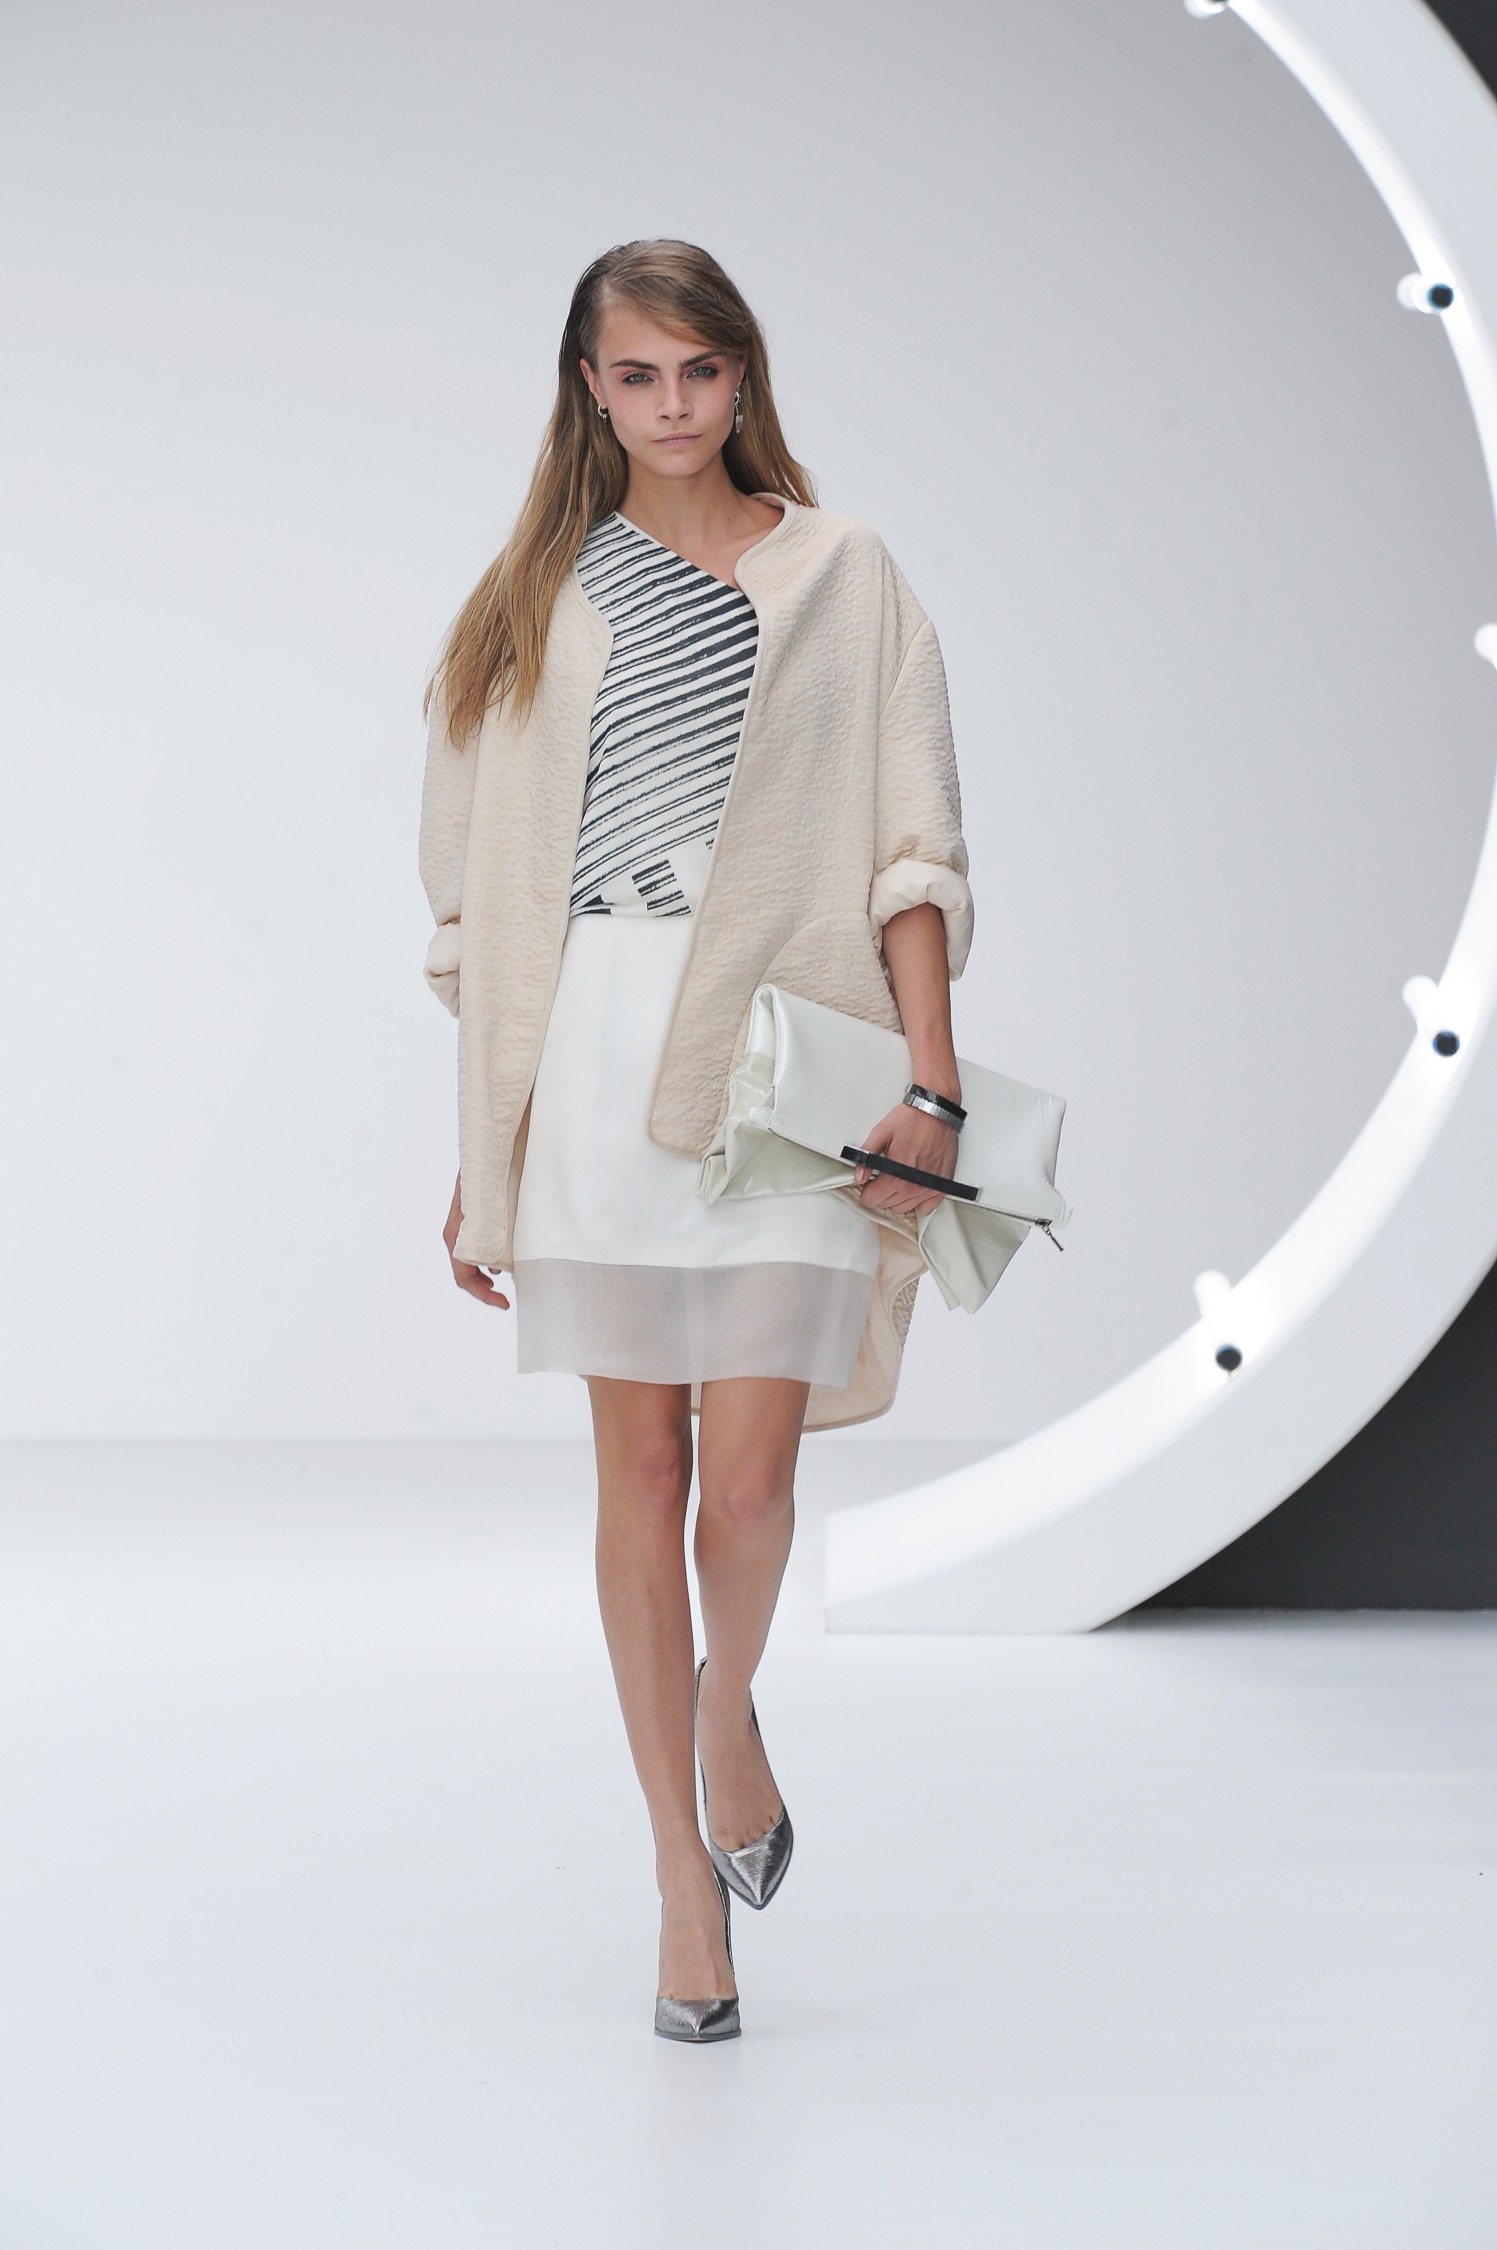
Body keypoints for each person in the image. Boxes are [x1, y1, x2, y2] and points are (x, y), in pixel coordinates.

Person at [418, 239, 973, 2043]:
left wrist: (931, 1081)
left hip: (786, 1054)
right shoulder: (530, 598)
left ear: (744, 377)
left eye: (700, 371)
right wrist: (488, 1141)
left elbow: (911, 843)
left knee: (748, 1482)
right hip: (589, 1060)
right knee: (640, 1472)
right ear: (589, 388)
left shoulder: (842, 572)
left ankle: (728, 1709)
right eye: (637, 374)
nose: (671, 405)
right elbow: (472, 904)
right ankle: (680, 1874)